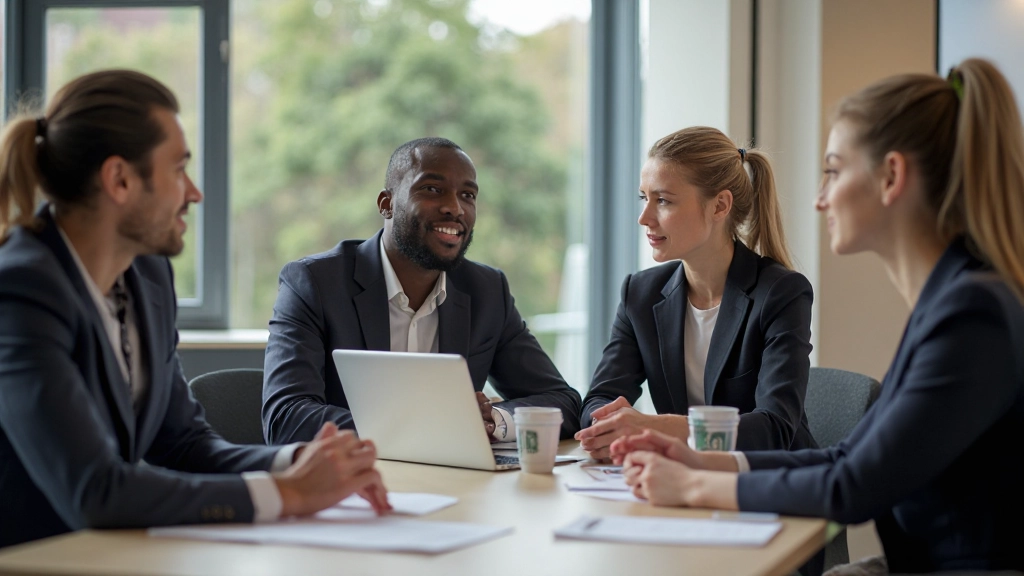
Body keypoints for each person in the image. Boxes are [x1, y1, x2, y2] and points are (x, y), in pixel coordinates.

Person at [612, 59, 1024, 573]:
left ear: (891, 176)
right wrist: (706, 460)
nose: (820, 198)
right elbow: (846, 458)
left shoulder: (971, 313)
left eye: (833, 170)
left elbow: (853, 487)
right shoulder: (954, 300)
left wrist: (695, 483)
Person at [0, 70, 390, 549]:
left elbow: (183, 443)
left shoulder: (148, 275)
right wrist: (286, 494)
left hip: (117, 555)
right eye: (179, 168)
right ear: (120, 180)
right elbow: (95, 491)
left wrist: (301, 463)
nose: (194, 192)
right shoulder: (21, 291)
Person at [262, 137, 582, 445]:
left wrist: (492, 420)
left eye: (468, 195)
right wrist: (434, 424)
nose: (454, 208)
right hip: (351, 486)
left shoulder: (487, 291)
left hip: (456, 488)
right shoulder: (314, 283)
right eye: (432, 189)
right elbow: (286, 418)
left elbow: (563, 402)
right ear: (386, 204)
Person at [575, 126, 816, 459]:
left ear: (719, 206)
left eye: (663, 201)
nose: (644, 217)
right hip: (681, 481)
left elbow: (774, 430)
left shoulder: (781, 294)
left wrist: (653, 426)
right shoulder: (641, 294)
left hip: (767, 485)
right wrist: (607, 420)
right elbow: (598, 398)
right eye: (644, 198)